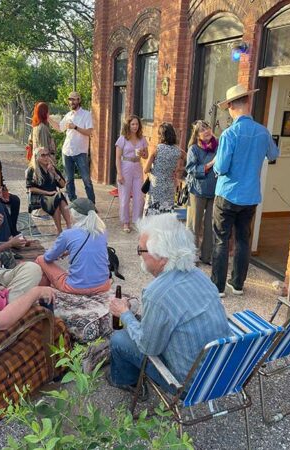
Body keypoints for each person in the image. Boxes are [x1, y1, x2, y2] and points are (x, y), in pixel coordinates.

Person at [107, 213, 231, 395]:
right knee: (144, 324)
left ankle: (125, 381)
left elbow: (148, 347)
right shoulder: (199, 276)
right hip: (218, 371)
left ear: (162, 257)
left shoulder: (156, 294)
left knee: (119, 339)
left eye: (141, 250)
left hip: (187, 384)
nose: (139, 255)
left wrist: (125, 313)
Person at [211, 84, 280, 296]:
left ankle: (218, 287)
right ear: (248, 103)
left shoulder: (229, 134)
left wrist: (213, 166)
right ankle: (238, 284)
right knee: (242, 240)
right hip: (250, 196)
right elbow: (274, 155)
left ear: (231, 106)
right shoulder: (263, 132)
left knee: (221, 240)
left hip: (227, 194)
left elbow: (221, 167)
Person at [35, 198, 111, 295]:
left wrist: (60, 252)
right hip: (103, 285)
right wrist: (70, 250)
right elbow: (89, 248)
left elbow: (48, 258)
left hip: (76, 287)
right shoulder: (102, 231)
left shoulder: (67, 234)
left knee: (40, 259)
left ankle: (44, 296)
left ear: (75, 214)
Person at [49, 91, 95, 203]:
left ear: (79, 100)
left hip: (80, 152)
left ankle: (91, 204)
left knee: (86, 180)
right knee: (69, 180)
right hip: (67, 152)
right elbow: (59, 128)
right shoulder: (68, 115)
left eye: (74, 99)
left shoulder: (86, 114)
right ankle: (73, 202)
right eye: (70, 99)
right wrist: (48, 118)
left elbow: (89, 132)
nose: (72, 101)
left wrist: (75, 127)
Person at [186, 120, 218, 265]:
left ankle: (207, 256)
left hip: (215, 191)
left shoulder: (219, 147)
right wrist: (211, 164)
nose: (206, 131)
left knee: (210, 225)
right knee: (194, 225)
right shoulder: (194, 149)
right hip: (197, 191)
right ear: (197, 135)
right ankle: (191, 256)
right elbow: (191, 169)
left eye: (208, 128)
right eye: (202, 130)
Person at [143, 122, 186, 216]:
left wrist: (154, 170)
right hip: (169, 187)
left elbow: (146, 169)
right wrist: (179, 169)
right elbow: (190, 162)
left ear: (161, 135)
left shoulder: (156, 149)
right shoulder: (178, 151)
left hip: (156, 186)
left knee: (151, 215)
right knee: (165, 215)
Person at [26, 147, 71, 234]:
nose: (46, 157)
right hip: (40, 199)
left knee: (58, 197)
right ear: (36, 157)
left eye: (47, 155)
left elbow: (62, 185)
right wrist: (48, 193)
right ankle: (60, 230)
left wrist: (54, 173)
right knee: (57, 198)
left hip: (54, 196)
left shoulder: (52, 168)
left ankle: (68, 227)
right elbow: (30, 188)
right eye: (43, 155)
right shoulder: (32, 170)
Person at [115, 115, 148, 233]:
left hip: (138, 166)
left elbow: (146, 156)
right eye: (133, 124)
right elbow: (118, 158)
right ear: (128, 125)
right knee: (124, 196)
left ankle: (136, 221)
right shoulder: (122, 139)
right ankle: (125, 222)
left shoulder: (142, 139)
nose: (135, 126)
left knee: (139, 197)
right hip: (125, 167)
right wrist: (119, 173)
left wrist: (142, 153)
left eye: (137, 124)